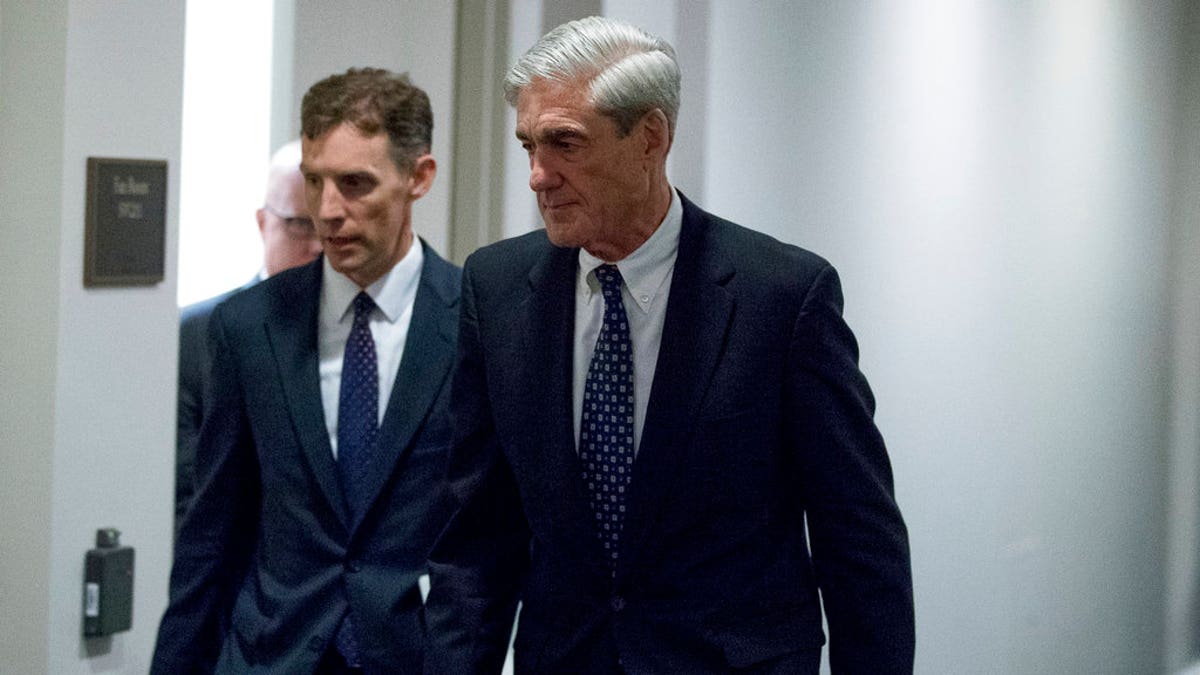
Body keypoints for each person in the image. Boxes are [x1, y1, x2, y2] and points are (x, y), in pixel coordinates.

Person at [424, 16, 914, 674]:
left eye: (565, 143)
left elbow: (858, 542)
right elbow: (477, 545)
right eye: (529, 146)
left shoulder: (782, 298)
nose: (539, 175)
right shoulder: (498, 289)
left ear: (650, 137)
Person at [153, 68, 461, 674]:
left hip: (413, 656)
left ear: (418, 178)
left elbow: (500, 535)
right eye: (315, 181)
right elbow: (210, 535)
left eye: (355, 185)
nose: (328, 211)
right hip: (273, 654)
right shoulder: (249, 327)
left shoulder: (475, 320)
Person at [175, 140, 321, 534]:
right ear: (263, 223)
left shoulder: (363, 330)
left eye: (327, 226)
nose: (316, 245)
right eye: (299, 224)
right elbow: (187, 492)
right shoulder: (198, 332)